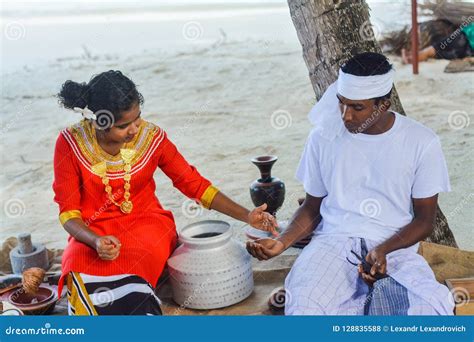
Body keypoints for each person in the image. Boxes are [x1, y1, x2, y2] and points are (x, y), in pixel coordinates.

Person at [53, 70, 277, 315]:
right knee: (77, 266)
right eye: (124, 125)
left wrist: (247, 216)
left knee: (135, 289)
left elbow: (194, 184)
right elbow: (68, 214)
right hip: (89, 232)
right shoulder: (70, 143)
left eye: (138, 118)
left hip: (146, 226)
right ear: (98, 121)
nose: (135, 129)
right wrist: (95, 241)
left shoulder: (152, 137)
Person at [246, 52, 455, 315]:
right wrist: (281, 242)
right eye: (341, 104)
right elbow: (312, 208)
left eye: (358, 107)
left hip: (394, 248)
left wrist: (383, 249)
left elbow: (424, 220)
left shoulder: (422, 142)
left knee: (426, 310)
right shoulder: (323, 137)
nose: (346, 116)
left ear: (384, 105)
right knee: (306, 306)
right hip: (333, 242)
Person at [402, 22, 473, 63]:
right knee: (436, 51)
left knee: (435, 49)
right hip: (467, 41)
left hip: (465, 38)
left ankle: (413, 58)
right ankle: (413, 56)